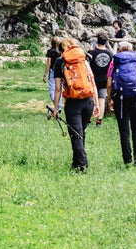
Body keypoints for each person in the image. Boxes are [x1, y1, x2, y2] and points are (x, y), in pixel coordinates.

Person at [52, 37, 99, 172]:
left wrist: (56, 108)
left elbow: (57, 88)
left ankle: (82, 164)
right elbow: (92, 80)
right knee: (80, 132)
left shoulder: (60, 62)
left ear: (61, 51)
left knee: (76, 134)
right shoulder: (83, 58)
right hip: (88, 100)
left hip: (73, 102)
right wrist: (96, 104)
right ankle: (76, 162)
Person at [108, 41, 136, 166]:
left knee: (124, 129)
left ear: (119, 50)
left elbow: (109, 84)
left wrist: (110, 99)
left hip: (120, 98)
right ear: (131, 49)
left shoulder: (114, 63)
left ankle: (127, 158)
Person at [87, 33, 113, 127]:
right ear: (106, 42)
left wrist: (90, 50)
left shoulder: (91, 52)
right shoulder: (110, 54)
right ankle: (99, 121)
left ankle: (88, 118)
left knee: (90, 99)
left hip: (92, 79)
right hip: (104, 80)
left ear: (97, 41)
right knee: (101, 100)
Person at [43, 35, 63, 110]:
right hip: (60, 72)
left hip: (53, 71)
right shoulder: (61, 52)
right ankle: (59, 106)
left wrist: (45, 74)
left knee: (52, 89)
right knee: (59, 89)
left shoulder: (50, 51)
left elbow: (48, 64)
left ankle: (57, 105)